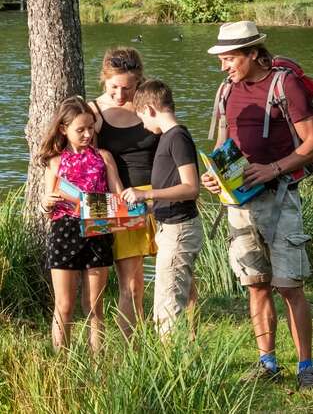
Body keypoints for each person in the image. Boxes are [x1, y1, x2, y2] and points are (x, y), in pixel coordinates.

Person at [202, 20, 313, 388]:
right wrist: (214, 174)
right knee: (256, 283)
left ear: (253, 53)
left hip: (281, 198)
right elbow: (222, 145)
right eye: (222, 58)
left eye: (230, 58)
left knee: (289, 286)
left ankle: (306, 367)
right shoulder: (226, 89)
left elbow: (310, 142)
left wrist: (272, 169)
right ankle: (267, 363)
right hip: (239, 203)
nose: (224, 66)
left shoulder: (286, 85)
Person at [38, 96, 123, 352]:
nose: (87, 134)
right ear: (64, 129)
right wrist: (46, 202)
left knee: (94, 306)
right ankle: (60, 363)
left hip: (97, 229)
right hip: (65, 231)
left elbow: (118, 196)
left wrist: (120, 207)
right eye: (80, 130)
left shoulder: (104, 157)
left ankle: (98, 365)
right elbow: (45, 202)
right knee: (64, 305)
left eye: (91, 127)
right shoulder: (55, 162)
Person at [121, 79, 203, 339]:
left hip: (179, 230)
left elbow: (191, 187)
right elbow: (173, 185)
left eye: (141, 116)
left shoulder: (176, 137)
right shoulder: (168, 138)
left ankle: (175, 372)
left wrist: (147, 193)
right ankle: (181, 364)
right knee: (166, 303)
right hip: (168, 226)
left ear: (151, 109)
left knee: (168, 308)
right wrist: (149, 204)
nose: (143, 124)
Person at [89, 47, 160, 338]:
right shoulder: (93, 111)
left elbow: (172, 144)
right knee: (132, 285)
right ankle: (134, 355)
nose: (120, 94)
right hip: (118, 202)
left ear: (139, 82)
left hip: (159, 196)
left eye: (128, 88)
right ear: (104, 80)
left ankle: (187, 347)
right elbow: (87, 161)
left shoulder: (150, 103)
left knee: (182, 279)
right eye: (114, 87)